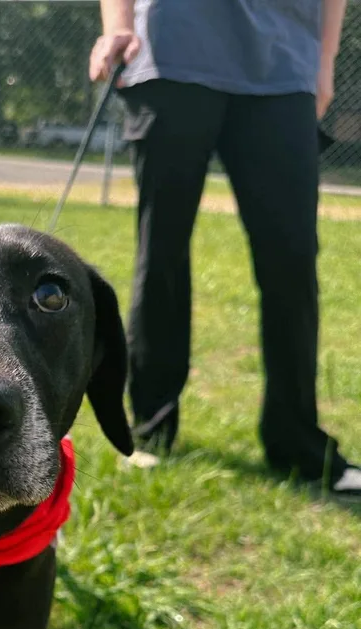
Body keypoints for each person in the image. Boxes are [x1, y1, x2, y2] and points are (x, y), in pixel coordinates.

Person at [90, 0, 361, 497]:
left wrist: (324, 64)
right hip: (172, 52)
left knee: (293, 261)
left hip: (285, 65)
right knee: (163, 255)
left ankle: (297, 442)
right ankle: (151, 426)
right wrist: (119, 26)